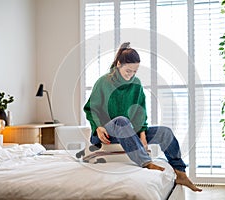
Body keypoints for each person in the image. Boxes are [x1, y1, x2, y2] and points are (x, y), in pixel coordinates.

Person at [83, 42, 202, 192]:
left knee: (165, 132)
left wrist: (142, 133)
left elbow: (140, 112)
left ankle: (180, 173)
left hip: (128, 133)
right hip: (105, 133)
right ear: (119, 64)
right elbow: (91, 108)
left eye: (134, 71)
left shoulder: (136, 84)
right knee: (121, 120)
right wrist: (98, 127)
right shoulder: (103, 82)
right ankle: (146, 162)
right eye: (128, 70)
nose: (131, 74)